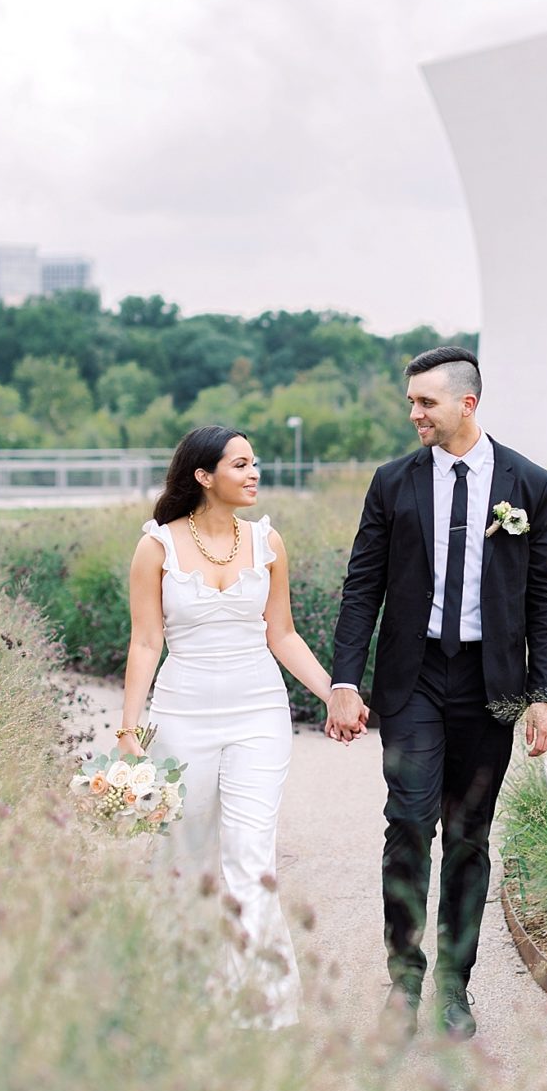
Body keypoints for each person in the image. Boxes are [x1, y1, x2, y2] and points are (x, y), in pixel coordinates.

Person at [326, 346, 547, 1041]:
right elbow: (361, 586)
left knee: (469, 836)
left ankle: (455, 988)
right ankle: (404, 979)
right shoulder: (392, 483)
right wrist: (345, 681)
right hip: (414, 680)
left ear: (467, 403)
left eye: (424, 402)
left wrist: (543, 692)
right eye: (410, 401)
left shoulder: (529, 483)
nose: (413, 413)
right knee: (407, 821)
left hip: (490, 688)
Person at [119, 425, 367, 1029]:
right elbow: (147, 642)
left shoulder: (266, 542)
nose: (254, 473)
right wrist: (131, 731)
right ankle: (184, 989)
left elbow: (281, 633)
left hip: (259, 716)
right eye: (240, 465)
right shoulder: (157, 547)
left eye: (255, 463)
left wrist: (336, 693)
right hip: (180, 719)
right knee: (186, 855)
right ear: (204, 477)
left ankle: (260, 1004)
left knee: (250, 854)